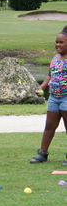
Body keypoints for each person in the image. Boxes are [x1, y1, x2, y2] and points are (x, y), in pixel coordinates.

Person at [30, 26, 67, 166]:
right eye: (57, 42)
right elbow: (50, 75)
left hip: (66, 98)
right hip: (54, 97)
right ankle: (42, 154)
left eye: (61, 42)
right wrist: (42, 87)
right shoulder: (55, 59)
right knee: (49, 126)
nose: (58, 44)